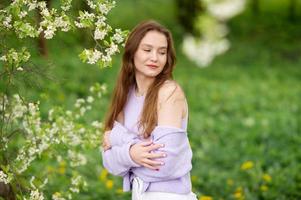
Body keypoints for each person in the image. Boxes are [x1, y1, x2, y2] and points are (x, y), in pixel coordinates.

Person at [101, 20, 197, 200]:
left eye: (162, 52)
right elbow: (108, 162)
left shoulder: (169, 92)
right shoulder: (126, 94)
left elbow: (165, 164)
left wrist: (117, 139)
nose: (155, 57)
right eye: (147, 50)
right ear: (132, 52)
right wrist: (132, 154)